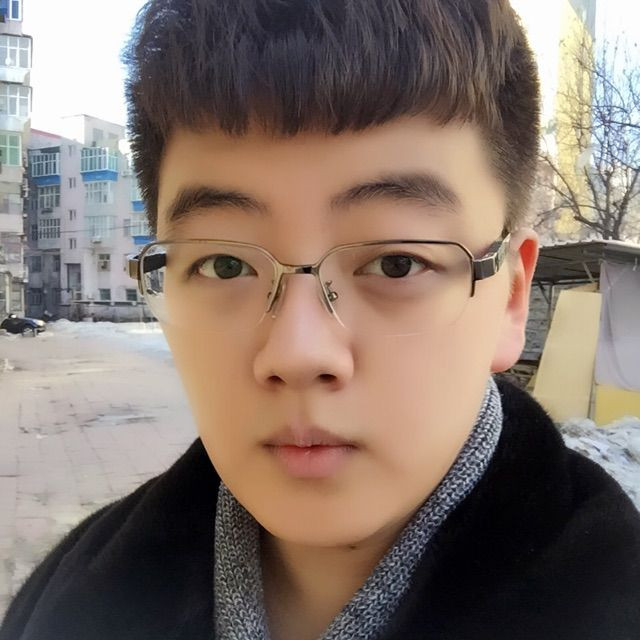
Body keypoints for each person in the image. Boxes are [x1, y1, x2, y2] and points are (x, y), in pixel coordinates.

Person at [2, 1, 639, 639]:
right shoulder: (67, 602)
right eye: (225, 265)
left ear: (510, 297)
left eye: (395, 264)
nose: (297, 353)